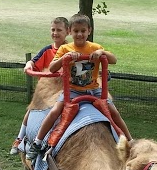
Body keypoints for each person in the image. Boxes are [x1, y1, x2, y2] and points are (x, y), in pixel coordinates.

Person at [25, 13, 132, 161]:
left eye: (83, 31)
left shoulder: (95, 47)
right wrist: (65, 58)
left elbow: (113, 60)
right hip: (73, 90)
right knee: (55, 110)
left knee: (112, 110)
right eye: (76, 31)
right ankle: (38, 141)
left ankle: (130, 141)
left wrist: (102, 53)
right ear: (70, 31)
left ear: (89, 31)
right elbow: (52, 68)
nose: (80, 34)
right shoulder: (65, 48)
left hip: (94, 90)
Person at [10, 17, 70, 154]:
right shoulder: (47, 50)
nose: (55, 33)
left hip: (64, 90)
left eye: (59, 30)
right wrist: (29, 64)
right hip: (48, 91)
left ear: (67, 31)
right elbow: (34, 62)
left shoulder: (71, 49)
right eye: (53, 30)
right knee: (31, 111)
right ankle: (20, 138)